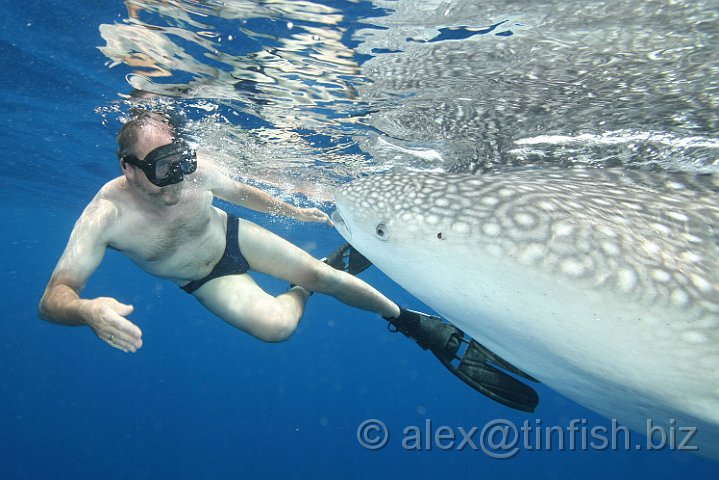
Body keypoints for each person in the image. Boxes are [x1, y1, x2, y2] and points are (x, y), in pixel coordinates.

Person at [38, 111, 539, 412]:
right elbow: (52, 298)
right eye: (161, 169)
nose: (176, 179)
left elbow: (244, 194)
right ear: (127, 168)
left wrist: (296, 210)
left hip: (233, 235)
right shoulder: (106, 213)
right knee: (277, 328)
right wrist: (85, 310)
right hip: (204, 279)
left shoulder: (195, 173)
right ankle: (304, 288)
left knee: (322, 274)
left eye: (181, 162)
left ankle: (415, 324)